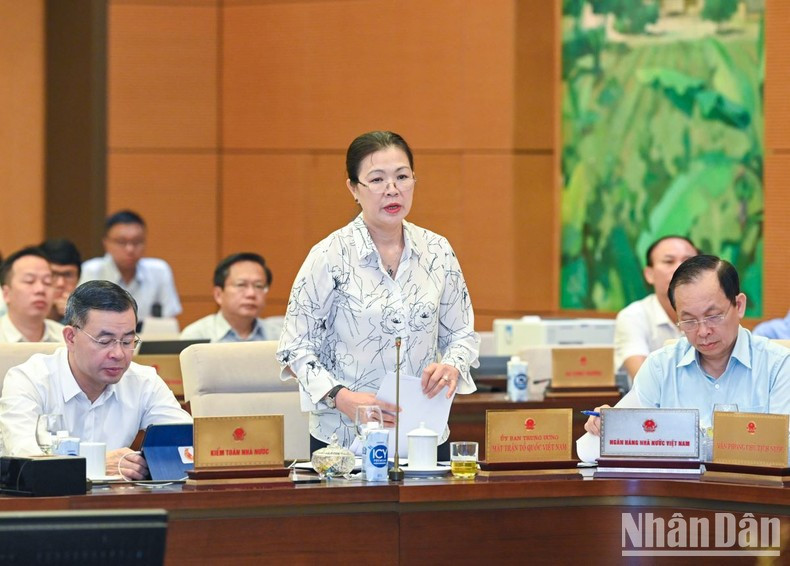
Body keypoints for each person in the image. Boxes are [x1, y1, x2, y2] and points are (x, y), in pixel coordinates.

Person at [276, 131, 479, 457]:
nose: (392, 189)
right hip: (344, 439)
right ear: (354, 189)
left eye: (402, 176)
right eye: (377, 179)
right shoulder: (329, 255)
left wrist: (452, 365)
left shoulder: (438, 251)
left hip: (424, 433)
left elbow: (462, 335)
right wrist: (340, 397)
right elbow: (294, 348)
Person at [578, 255, 790, 462]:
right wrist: (606, 426)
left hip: (752, 493)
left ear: (739, 305)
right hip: (675, 494)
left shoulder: (779, 366)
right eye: (688, 321)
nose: (703, 331)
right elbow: (603, 447)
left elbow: (785, 451)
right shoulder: (660, 367)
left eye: (713, 316)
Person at [0, 280, 192, 479]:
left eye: (127, 341)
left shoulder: (143, 382)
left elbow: (188, 442)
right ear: (70, 338)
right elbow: (24, 460)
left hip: (117, 503)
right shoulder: (29, 380)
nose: (118, 353)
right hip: (44, 504)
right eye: (105, 341)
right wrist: (94, 463)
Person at [614, 235, 699, 380]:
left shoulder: (713, 317)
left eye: (687, 262)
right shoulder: (633, 316)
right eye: (669, 261)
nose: (680, 268)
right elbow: (644, 380)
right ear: (649, 274)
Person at [80, 210, 182, 318]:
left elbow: (168, 319)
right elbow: (82, 318)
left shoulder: (159, 271)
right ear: (106, 243)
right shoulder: (92, 271)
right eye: (121, 242)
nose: (130, 249)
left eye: (137, 241)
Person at [180, 252, 283, 342]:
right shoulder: (196, 336)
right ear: (218, 295)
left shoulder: (279, 336)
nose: (251, 294)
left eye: (259, 286)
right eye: (241, 285)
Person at [0, 247, 64, 343]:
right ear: (6, 294)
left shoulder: (67, 339)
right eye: (29, 281)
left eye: (47, 282)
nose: (40, 289)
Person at [39, 238, 82, 323]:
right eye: (53, 274)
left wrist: (76, 318)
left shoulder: (86, 315)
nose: (60, 283)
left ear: (78, 278)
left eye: (68, 275)